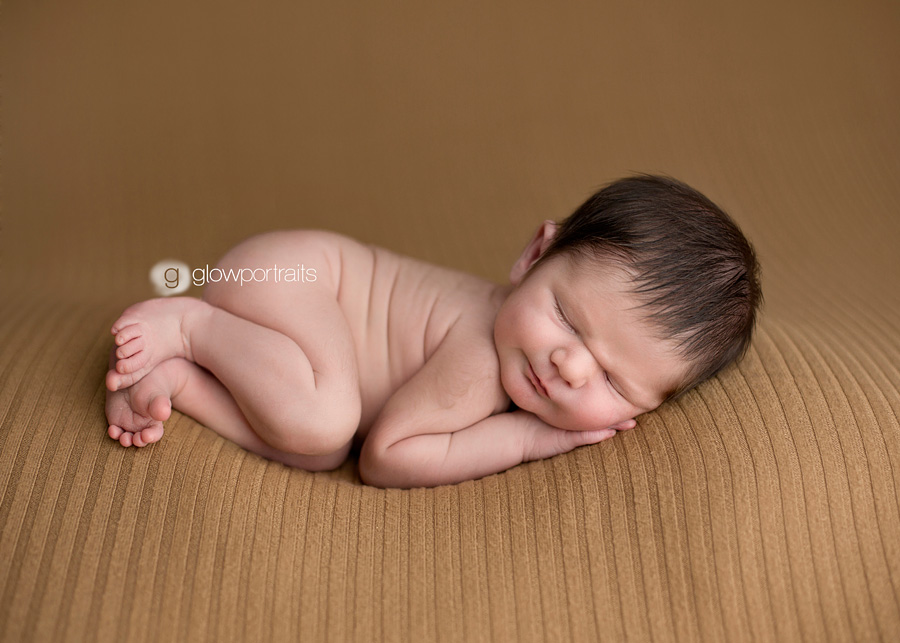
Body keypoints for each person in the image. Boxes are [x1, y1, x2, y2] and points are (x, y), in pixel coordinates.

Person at [103, 174, 762, 488]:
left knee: (313, 447)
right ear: (533, 257)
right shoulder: (481, 357)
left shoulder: (520, 351)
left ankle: (174, 380)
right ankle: (189, 325)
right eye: (567, 317)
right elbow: (387, 457)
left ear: (652, 406)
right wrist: (529, 437)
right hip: (292, 276)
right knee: (330, 421)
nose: (569, 365)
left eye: (614, 379)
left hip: (285, 303)